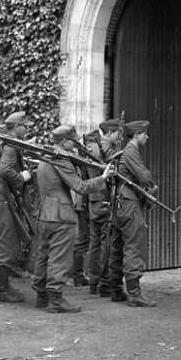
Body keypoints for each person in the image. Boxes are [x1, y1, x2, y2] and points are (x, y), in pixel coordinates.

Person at [32, 125, 114, 313]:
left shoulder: (46, 156)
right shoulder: (61, 159)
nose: (76, 144)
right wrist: (103, 177)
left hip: (45, 212)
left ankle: (41, 295)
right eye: (73, 141)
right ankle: (56, 300)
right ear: (65, 141)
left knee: (44, 254)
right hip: (61, 215)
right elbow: (80, 187)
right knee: (59, 257)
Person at [110, 120, 157, 307]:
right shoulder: (131, 151)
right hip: (129, 204)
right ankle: (135, 294)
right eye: (145, 133)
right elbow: (144, 177)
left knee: (117, 246)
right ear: (137, 135)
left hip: (119, 204)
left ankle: (115, 289)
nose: (147, 136)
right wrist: (152, 186)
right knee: (133, 246)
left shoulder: (124, 152)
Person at [0, 111, 33, 303]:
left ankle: (1, 285)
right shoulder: (10, 146)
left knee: (9, 242)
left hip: (5, 198)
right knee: (6, 243)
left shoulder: (10, 143)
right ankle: (0, 289)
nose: (27, 129)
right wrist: (21, 178)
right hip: (3, 199)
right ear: (16, 127)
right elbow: (5, 170)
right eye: (25, 126)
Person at [84, 118, 121, 297]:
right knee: (107, 242)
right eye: (117, 133)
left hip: (93, 199)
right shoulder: (105, 150)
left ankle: (93, 282)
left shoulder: (92, 147)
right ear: (109, 133)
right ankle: (104, 283)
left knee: (95, 242)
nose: (119, 136)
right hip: (104, 199)